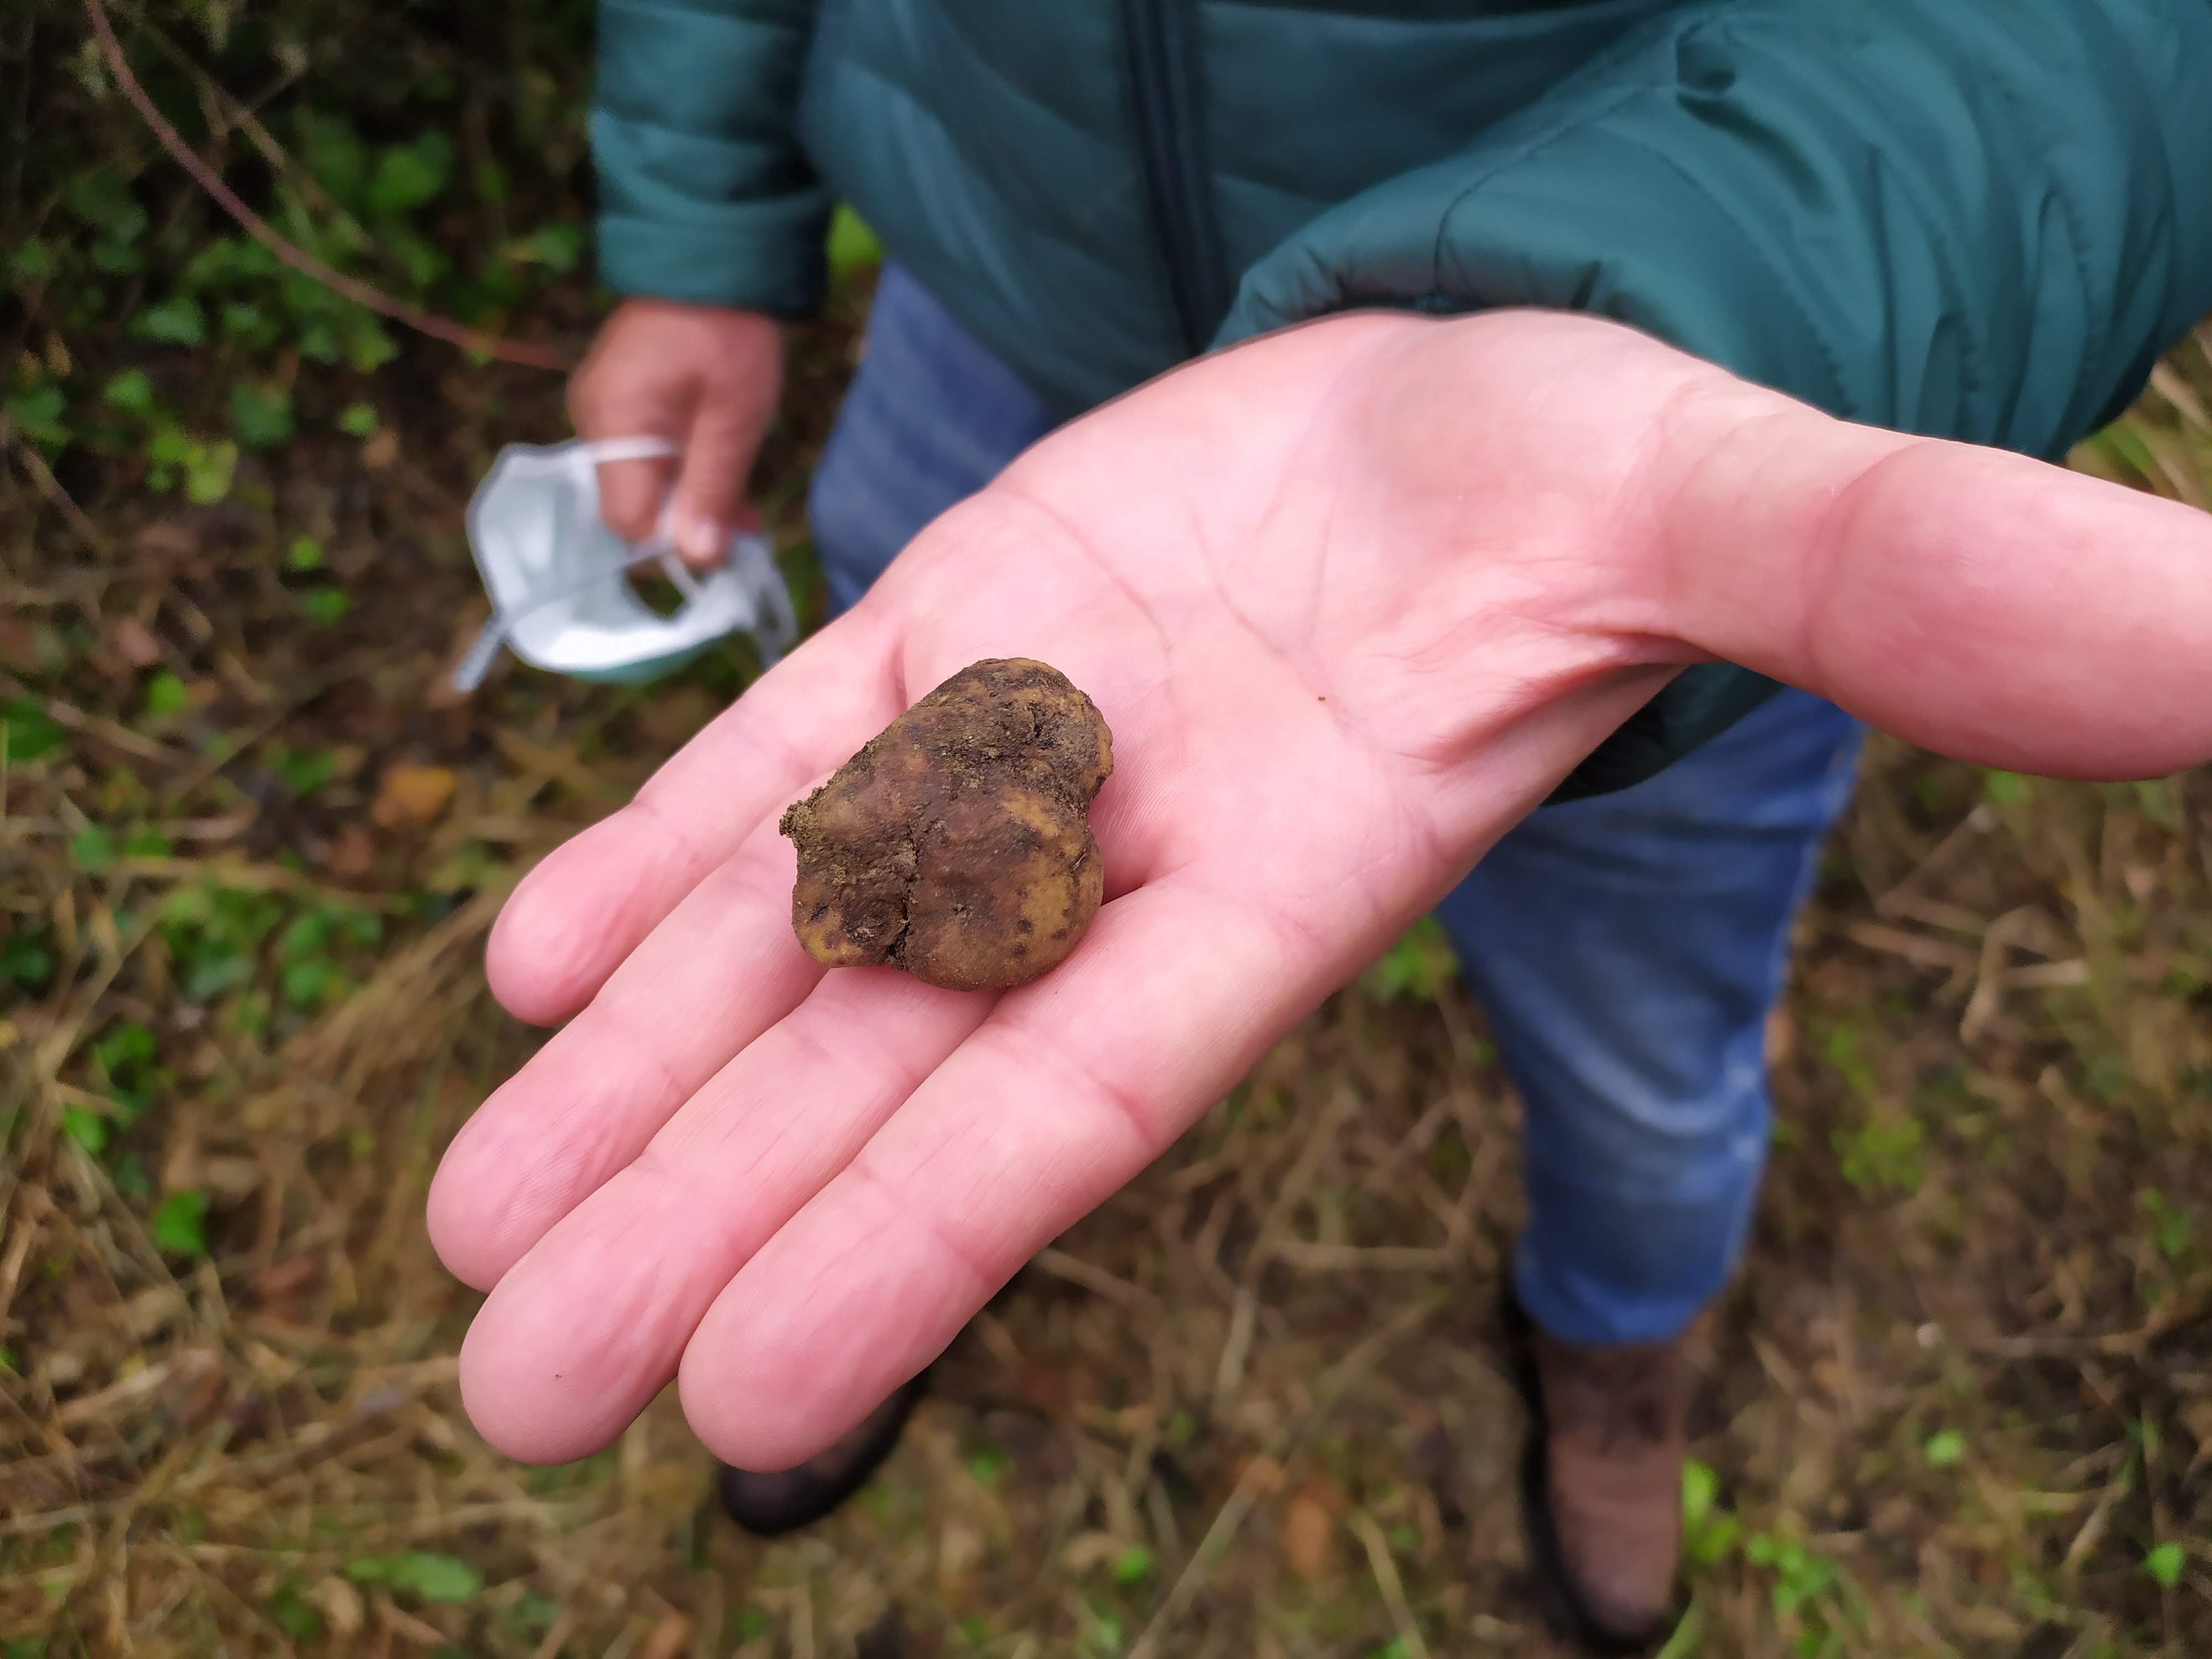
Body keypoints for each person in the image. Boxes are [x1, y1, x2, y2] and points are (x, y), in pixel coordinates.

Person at [426, 2, 2212, 1650]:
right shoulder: (966, 758)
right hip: (991, 303)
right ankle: (861, 1275)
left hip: (1638, 391)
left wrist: (1702, 273)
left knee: (1645, 1056)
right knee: (888, 1112)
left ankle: (1617, 1349)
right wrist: (696, 222)